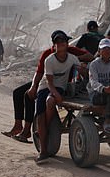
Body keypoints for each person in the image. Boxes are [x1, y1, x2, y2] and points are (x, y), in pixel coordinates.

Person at [2, 39, 93, 143]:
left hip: (59, 84)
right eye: (59, 44)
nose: (62, 47)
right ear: (54, 45)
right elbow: (40, 73)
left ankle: (26, 130)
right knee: (19, 93)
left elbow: (89, 57)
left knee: (28, 96)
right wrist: (33, 86)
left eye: (64, 43)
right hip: (45, 81)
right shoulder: (48, 55)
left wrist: (75, 59)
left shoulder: (70, 52)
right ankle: (18, 126)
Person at [34, 30, 84, 164]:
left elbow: (81, 70)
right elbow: (49, 83)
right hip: (45, 87)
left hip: (60, 87)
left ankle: (46, 126)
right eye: (58, 42)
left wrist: (83, 69)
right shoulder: (49, 60)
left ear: (67, 44)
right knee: (41, 113)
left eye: (63, 42)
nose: (61, 44)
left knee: (50, 102)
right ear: (54, 45)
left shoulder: (72, 58)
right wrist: (55, 94)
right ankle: (43, 151)